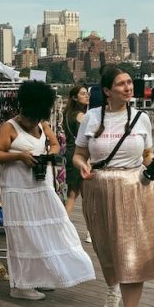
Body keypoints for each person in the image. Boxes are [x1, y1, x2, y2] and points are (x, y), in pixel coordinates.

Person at [73, 64, 154, 307]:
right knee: (106, 248)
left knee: (131, 253)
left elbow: (147, 154)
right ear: (106, 91)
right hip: (99, 188)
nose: (128, 87)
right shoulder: (91, 118)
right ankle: (112, 288)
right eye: (121, 84)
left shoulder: (141, 118)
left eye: (129, 82)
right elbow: (78, 153)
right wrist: (81, 165)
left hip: (135, 188)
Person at [0, 81, 95, 301]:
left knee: (48, 230)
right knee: (23, 236)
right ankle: (20, 285)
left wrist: (47, 152)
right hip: (18, 190)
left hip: (41, 187)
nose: (32, 121)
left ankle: (39, 276)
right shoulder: (9, 127)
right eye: (30, 117)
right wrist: (19, 156)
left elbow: (56, 144)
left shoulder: (42, 124)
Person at [62, 85, 91, 239]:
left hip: (69, 153)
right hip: (81, 156)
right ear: (74, 97)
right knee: (86, 197)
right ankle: (89, 232)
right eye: (83, 94)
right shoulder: (82, 116)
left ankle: (62, 226)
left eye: (87, 93)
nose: (87, 96)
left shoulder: (66, 114)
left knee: (72, 194)